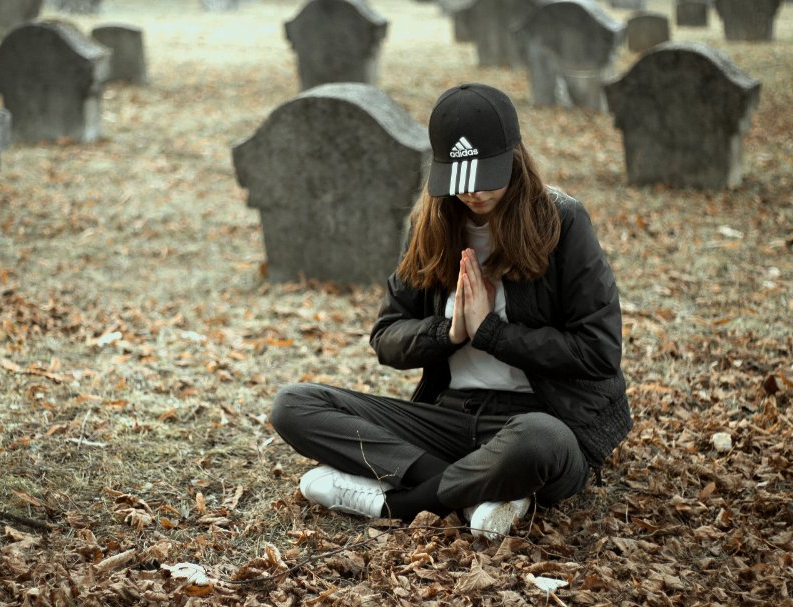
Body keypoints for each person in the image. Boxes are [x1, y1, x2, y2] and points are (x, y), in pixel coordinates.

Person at [270, 83, 632, 541]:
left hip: (542, 417)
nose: (474, 193)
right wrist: (451, 332)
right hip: (451, 418)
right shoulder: (433, 225)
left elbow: (598, 352)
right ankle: (483, 489)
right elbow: (386, 335)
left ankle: (398, 502)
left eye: (487, 176)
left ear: (515, 157)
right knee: (294, 405)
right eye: (462, 181)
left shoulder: (562, 222)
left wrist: (492, 333)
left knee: (539, 440)